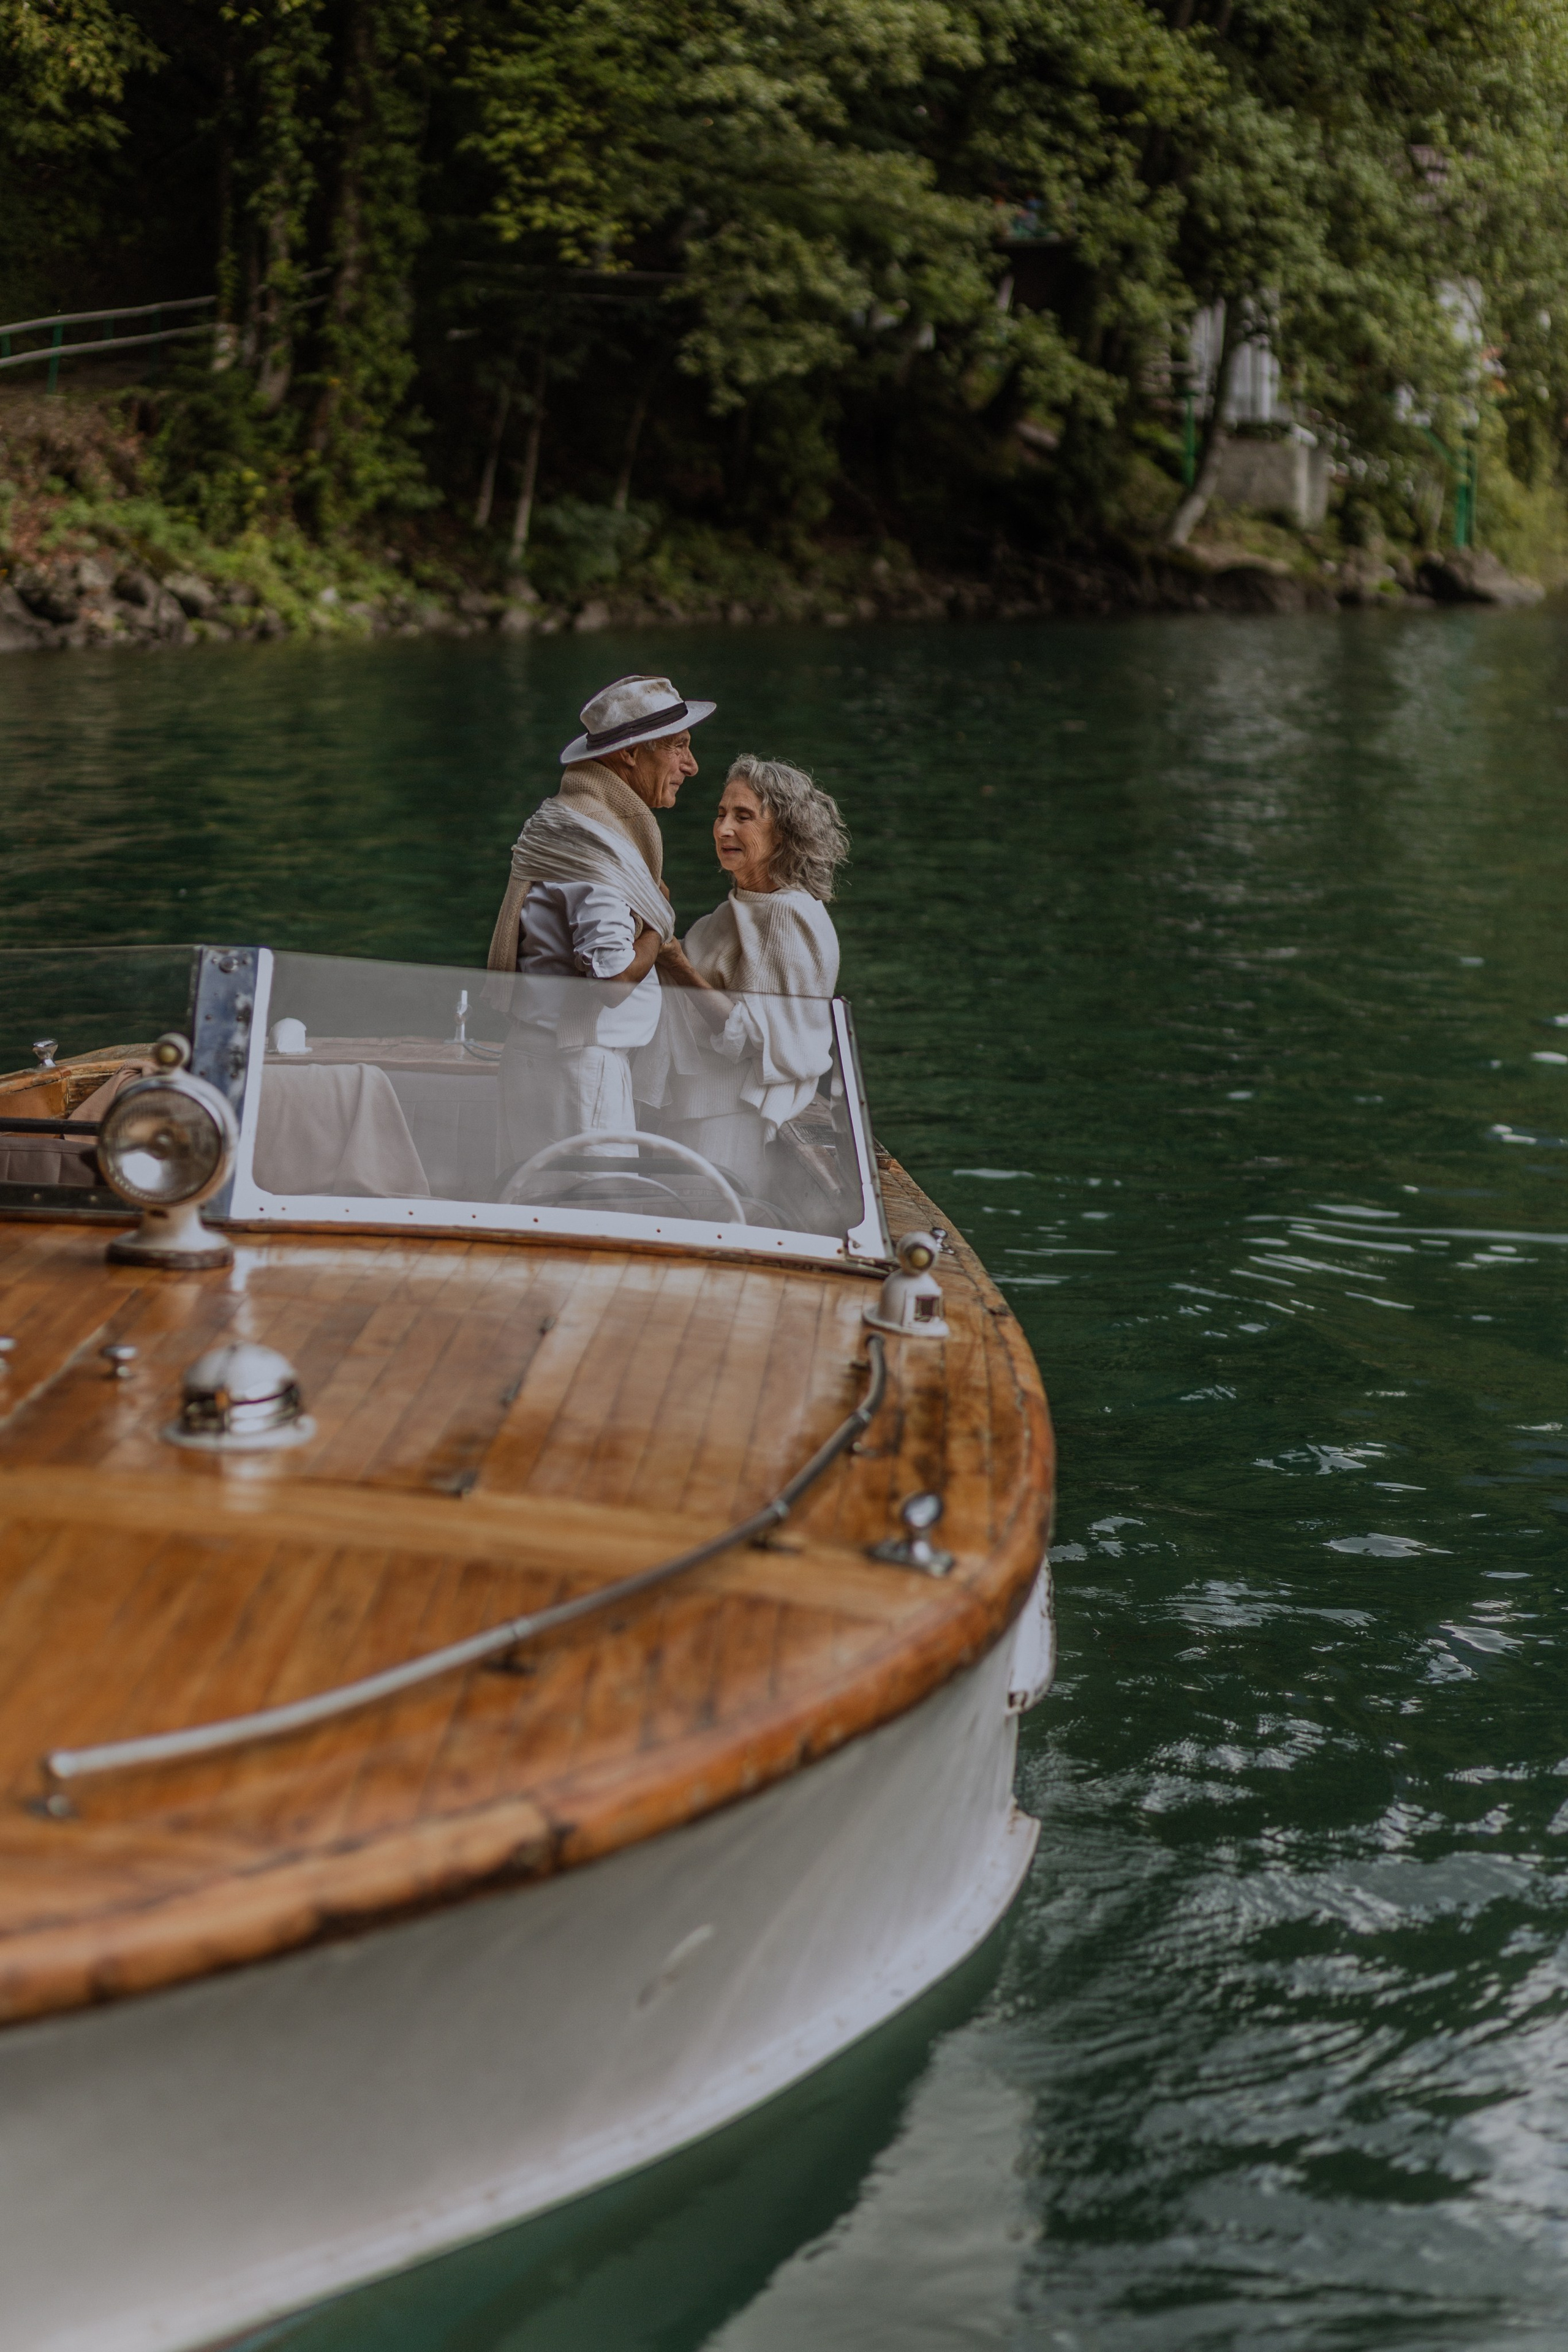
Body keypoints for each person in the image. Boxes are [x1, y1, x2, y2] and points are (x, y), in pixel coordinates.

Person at [485, 673, 715, 1178]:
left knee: (530, 1212)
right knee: (600, 1214)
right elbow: (611, 984)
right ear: (629, 754)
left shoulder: (564, 821)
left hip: (535, 1058)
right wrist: (658, 922)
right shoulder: (597, 845)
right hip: (580, 1070)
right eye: (678, 747)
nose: (691, 766)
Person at [638, 755, 850, 1204]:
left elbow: (755, 1039)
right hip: (689, 1107)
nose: (723, 829)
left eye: (744, 817)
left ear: (785, 832)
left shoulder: (791, 917)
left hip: (730, 1119)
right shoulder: (736, 908)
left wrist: (676, 963)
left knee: (707, 1235)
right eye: (721, 814)